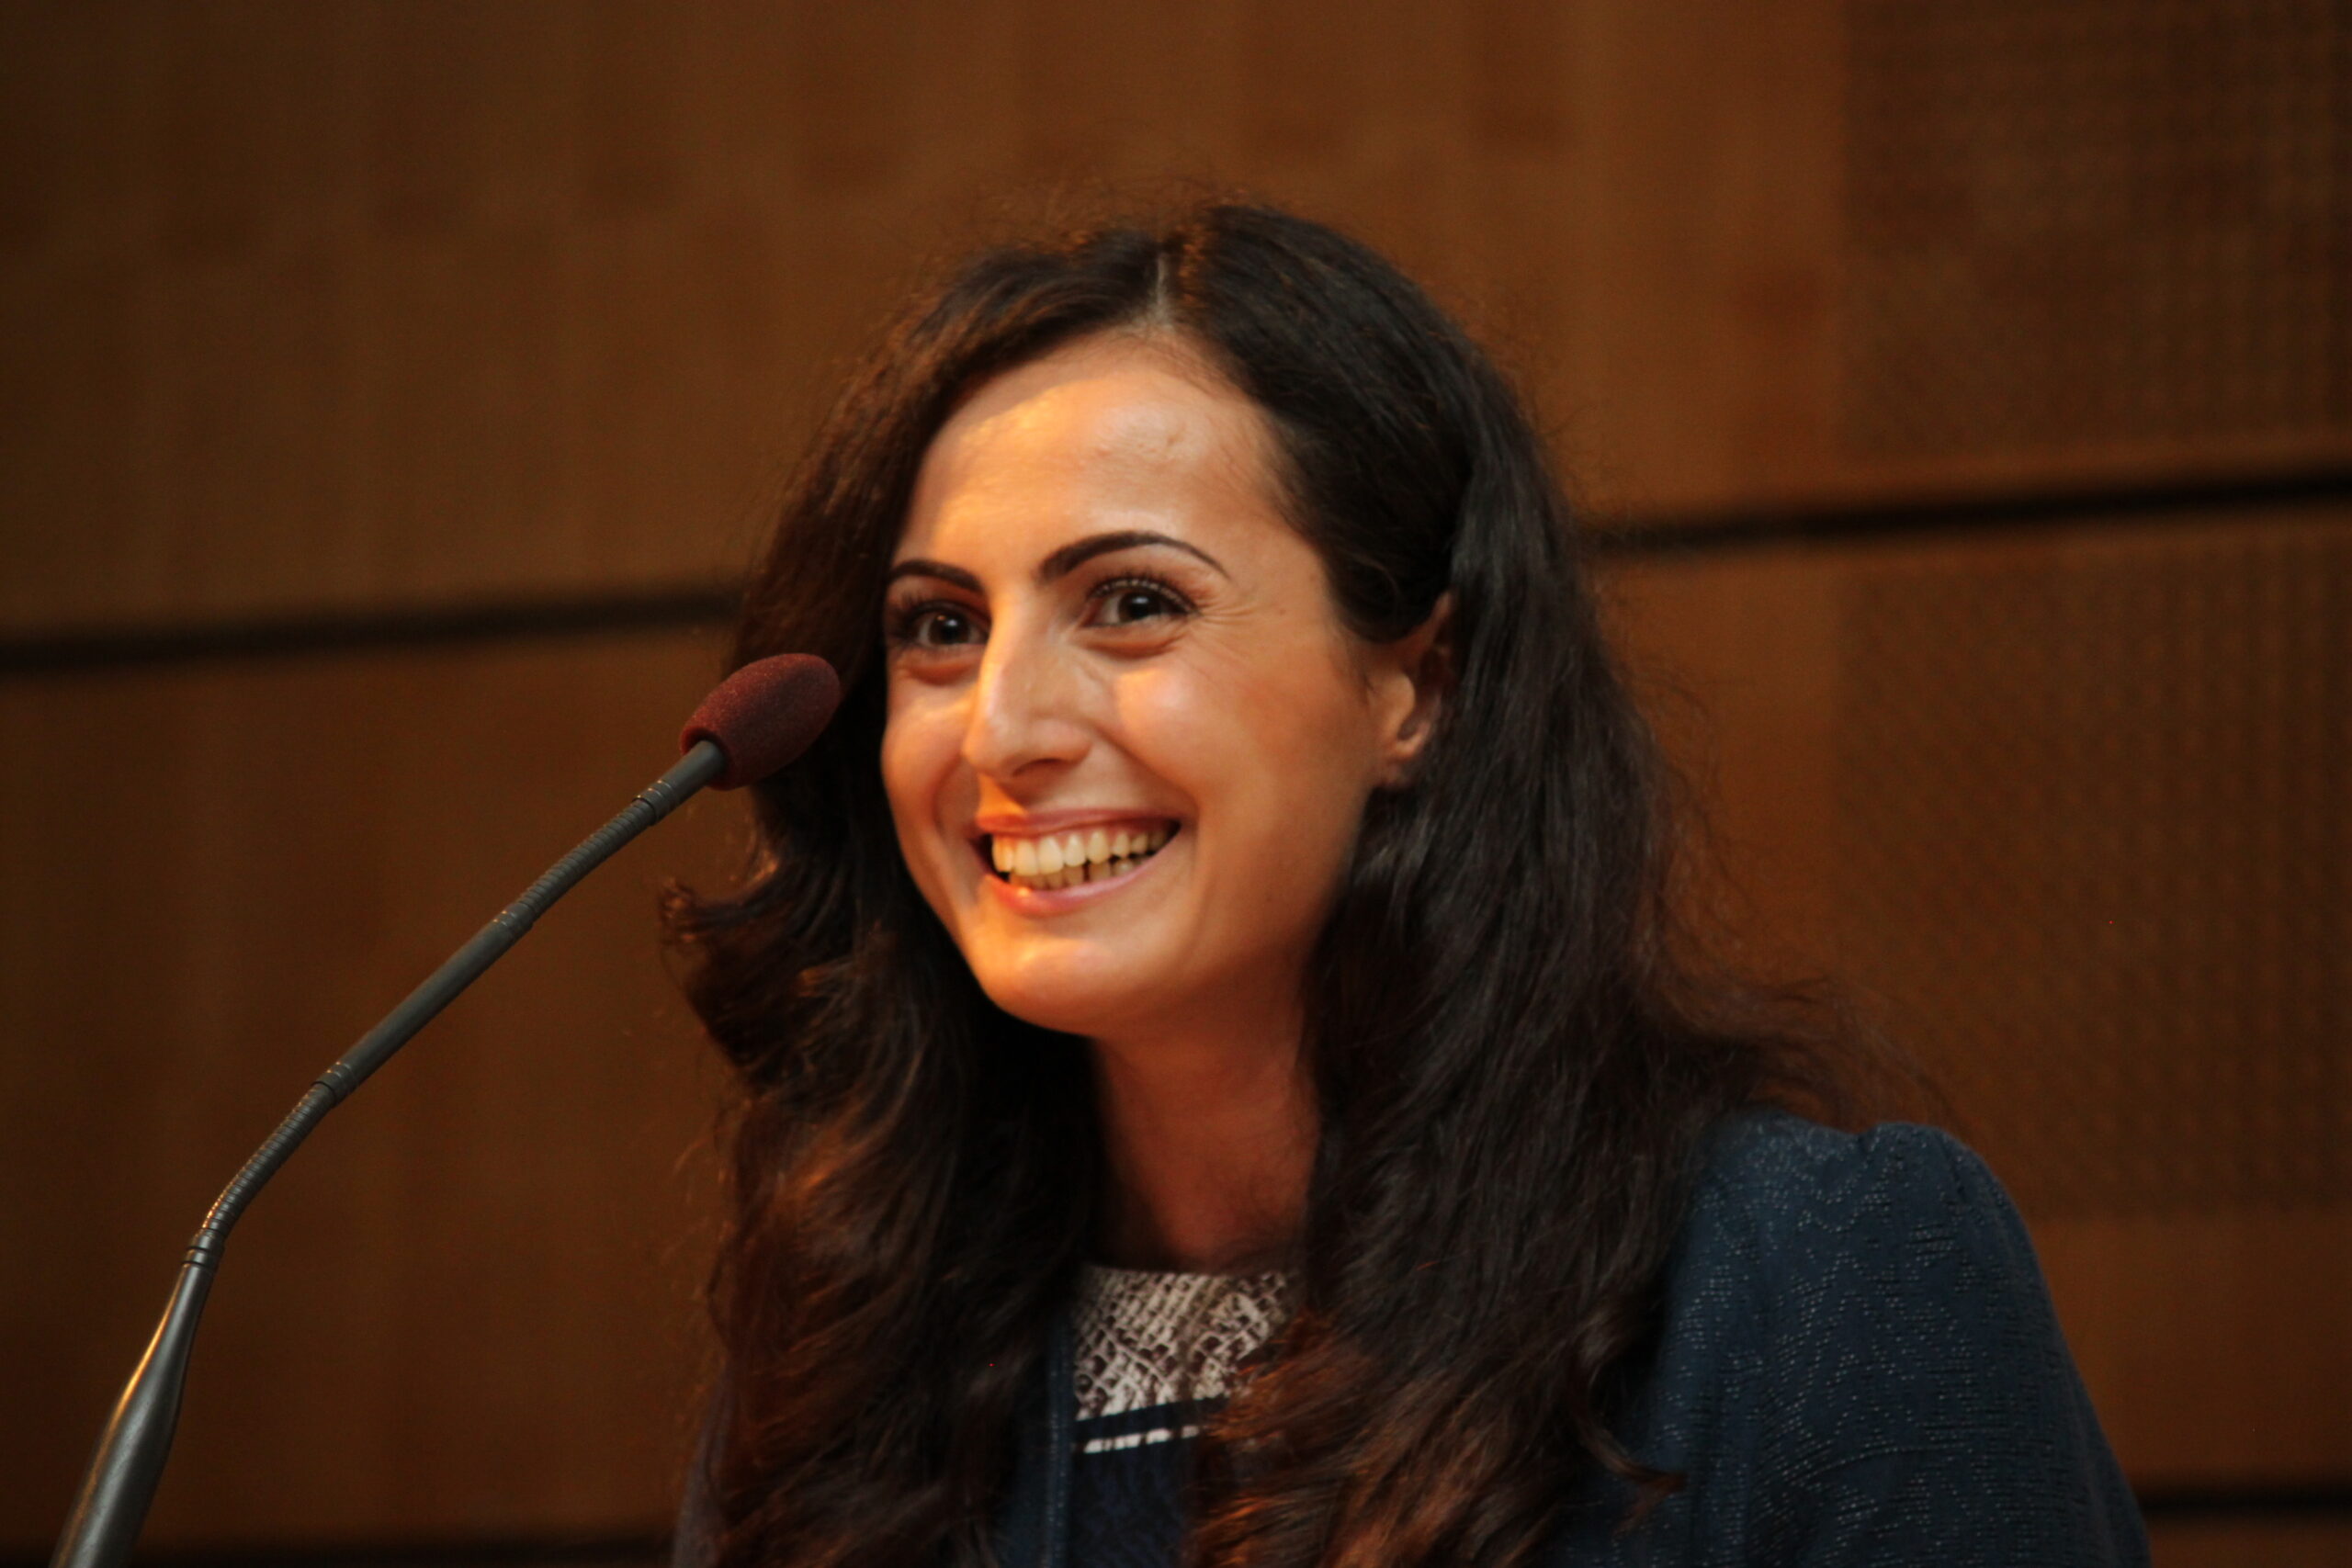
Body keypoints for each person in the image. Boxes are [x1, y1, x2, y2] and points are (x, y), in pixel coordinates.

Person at [663, 202, 2148, 1568]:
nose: (1002, 728)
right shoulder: (847, 1367)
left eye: (1132, 604)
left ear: (1417, 689)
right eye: (938, 629)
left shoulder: (1823, 1288)